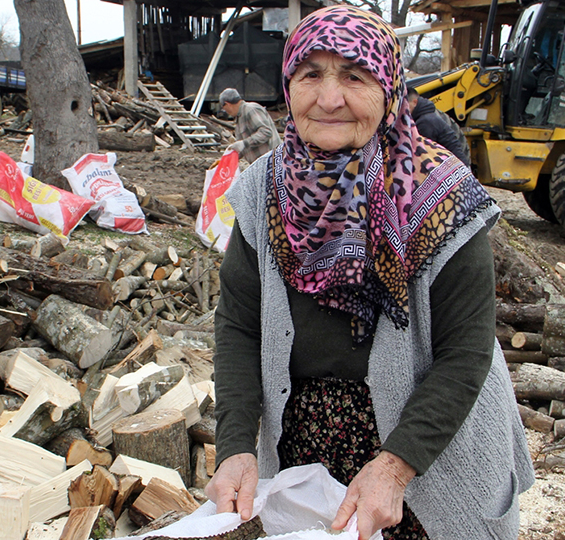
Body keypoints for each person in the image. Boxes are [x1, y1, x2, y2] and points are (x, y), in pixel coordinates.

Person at [206, 6, 533, 540]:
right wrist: (237, 446)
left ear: (388, 87)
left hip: (429, 447)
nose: (329, 98)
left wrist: (395, 466)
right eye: (310, 73)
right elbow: (239, 325)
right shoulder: (263, 188)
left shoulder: (441, 194)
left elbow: (467, 351)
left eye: (354, 76)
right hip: (304, 448)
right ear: (289, 85)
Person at [406, 87, 471, 166]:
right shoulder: (429, 116)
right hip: (457, 164)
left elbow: (424, 153)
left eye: (406, 106)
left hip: (454, 166)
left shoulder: (425, 122)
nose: (404, 110)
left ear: (414, 102)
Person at [219, 87, 282, 164]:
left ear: (227, 104)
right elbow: (245, 147)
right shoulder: (240, 117)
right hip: (260, 164)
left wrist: (244, 143)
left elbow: (266, 132)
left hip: (272, 162)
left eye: (223, 108)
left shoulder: (251, 109)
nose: (225, 111)